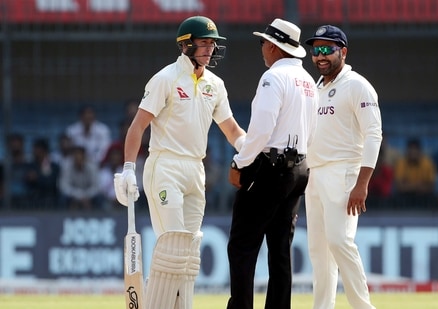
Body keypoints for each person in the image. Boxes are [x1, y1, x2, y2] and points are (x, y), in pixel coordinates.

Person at [113, 16, 246, 309]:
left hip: (195, 170)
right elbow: (137, 127)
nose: (210, 49)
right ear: (186, 45)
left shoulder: (215, 84)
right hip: (165, 167)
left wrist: (251, 152)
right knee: (172, 246)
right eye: (204, 43)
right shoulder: (165, 79)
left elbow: (232, 130)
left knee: (188, 252)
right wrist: (128, 168)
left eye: (213, 44)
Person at [226, 18, 318, 309]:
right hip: (300, 167)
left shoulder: (273, 78)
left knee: (242, 245)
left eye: (265, 42)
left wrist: (240, 163)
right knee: (280, 250)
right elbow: (312, 130)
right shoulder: (309, 83)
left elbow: (261, 129)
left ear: (276, 47)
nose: (263, 48)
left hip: (271, 166)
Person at [304, 25, 380, 309]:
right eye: (316, 50)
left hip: (344, 171)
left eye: (328, 50)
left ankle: (363, 307)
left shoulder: (357, 85)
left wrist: (362, 183)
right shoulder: (315, 88)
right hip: (315, 174)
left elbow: (374, 134)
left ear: (343, 52)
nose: (320, 56)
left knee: (339, 241)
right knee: (318, 251)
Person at [393, 138, 438, 210]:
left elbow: (431, 186)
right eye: (411, 149)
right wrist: (417, 186)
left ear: (420, 151)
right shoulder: (401, 163)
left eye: (415, 150)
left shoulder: (428, 163)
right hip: (406, 195)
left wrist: (409, 186)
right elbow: (399, 187)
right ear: (407, 151)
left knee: (433, 199)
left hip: (423, 195)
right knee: (396, 199)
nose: (413, 152)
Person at [59, 145, 102, 210]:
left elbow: (96, 187)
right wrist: (79, 196)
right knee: (63, 198)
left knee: (99, 198)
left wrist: (86, 196)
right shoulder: (67, 168)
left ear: (84, 157)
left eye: (80, 156)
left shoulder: (92, 168)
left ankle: (100, 217)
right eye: (76, 156)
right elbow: (64, 186)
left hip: (89, 197)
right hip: (73, 196)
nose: (78, 158)